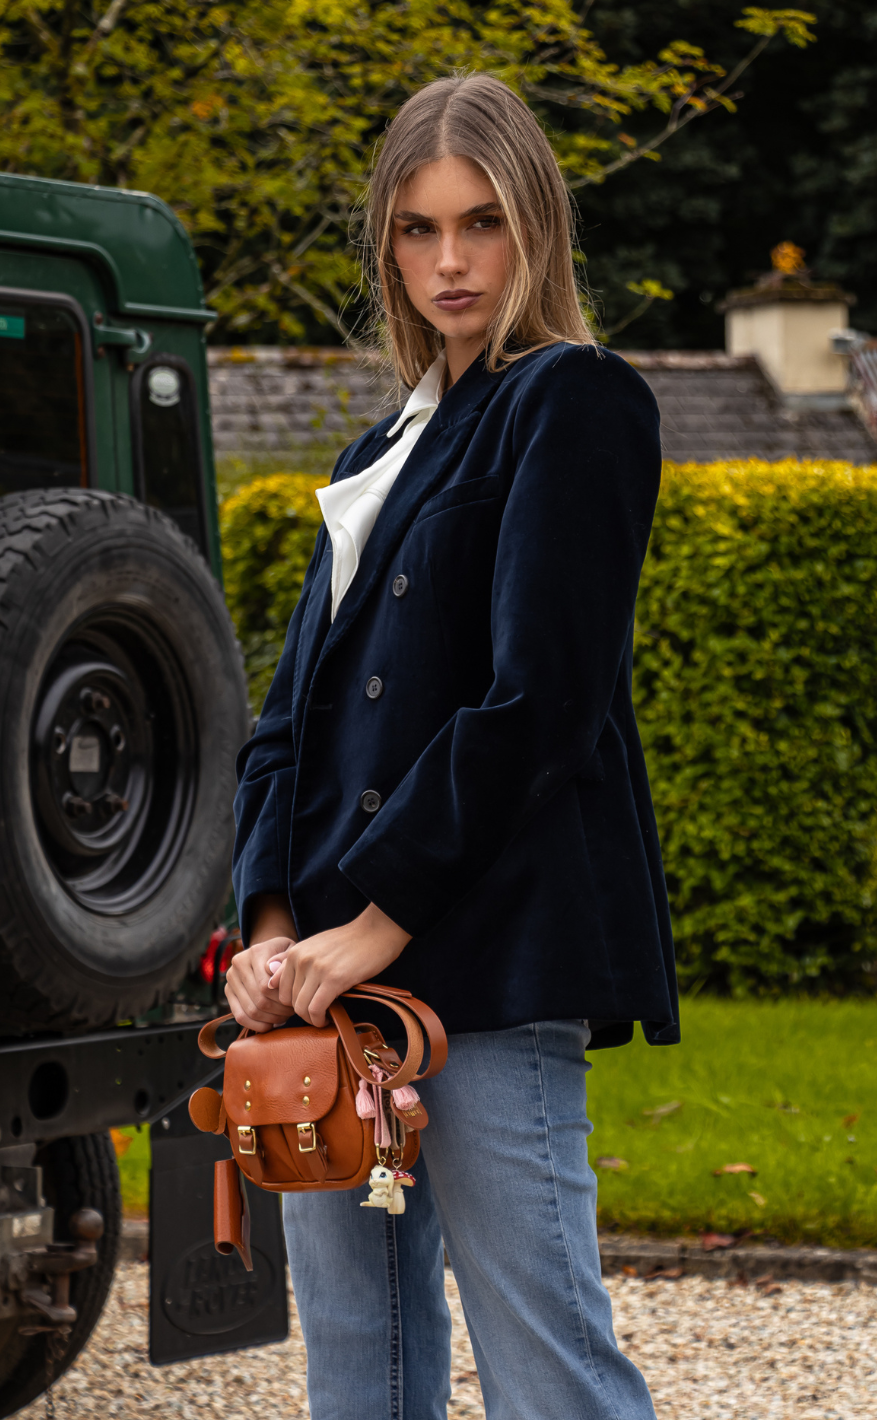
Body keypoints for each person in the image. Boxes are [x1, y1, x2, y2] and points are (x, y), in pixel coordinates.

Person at [225, 70, 678, 1420]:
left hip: (483, 960)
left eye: (480, 223)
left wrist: (374, 922)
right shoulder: (390, 440)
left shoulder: (575, 399)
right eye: (416, 232)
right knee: (360, 1370)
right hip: (324, 994)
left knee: (550, 1373)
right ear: (386, 250)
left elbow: (540, 701)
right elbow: (291, 718)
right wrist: (265, 922)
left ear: (534, 225)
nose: (450, 262)